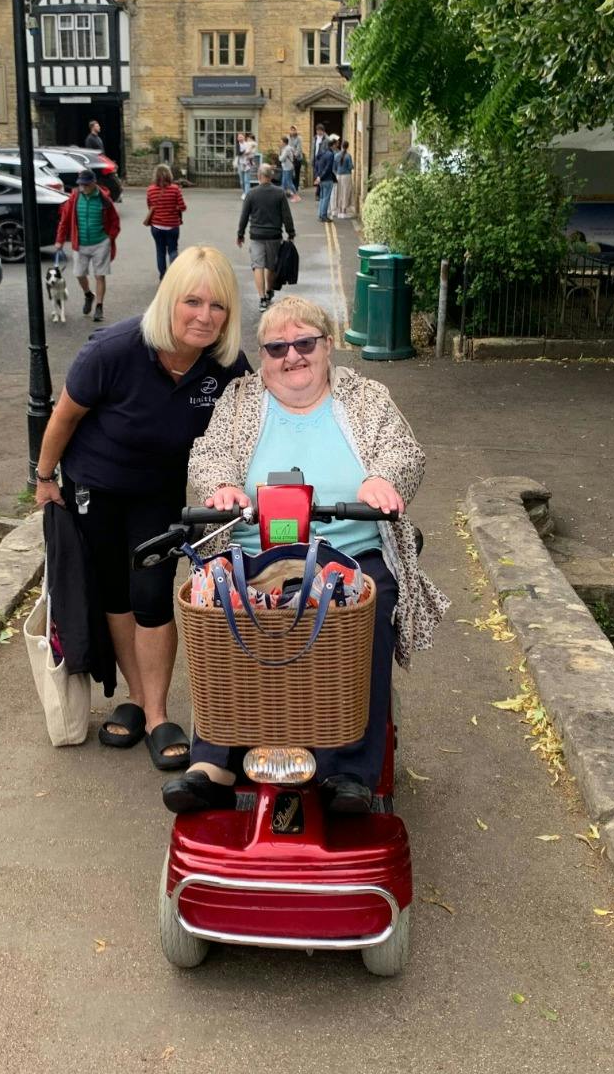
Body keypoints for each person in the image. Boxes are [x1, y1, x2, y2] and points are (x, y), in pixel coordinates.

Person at [166, 296, 450, 815]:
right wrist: (223, 485)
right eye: (277, 347)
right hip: (252, 549)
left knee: (367, 605)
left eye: (305, 343)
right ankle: (216, 757)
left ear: (327, 344)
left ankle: (348, 770)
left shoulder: (367, 397)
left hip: (349, 550)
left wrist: (383, 478)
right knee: (214, 603)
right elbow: (210, 452)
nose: (292, 356)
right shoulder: (241, 398)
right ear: (264, 354)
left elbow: (403, 451)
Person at [34, 247, 249, 770]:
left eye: (217, 306)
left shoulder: (225, 365)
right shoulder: (113, 349)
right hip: (96, 487)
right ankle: (133, 697)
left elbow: (252, 427)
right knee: (115, 596)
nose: (204, 316)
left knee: (151, 596)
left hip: (158, 492)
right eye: (192, 301)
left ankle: (156, 714)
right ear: (169, 301)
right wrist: (43, 479)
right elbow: (64, 416)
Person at [55, 167, 118, 323]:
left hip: (100, 242)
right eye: (81, 185)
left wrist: (110, 237)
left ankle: (99, 307)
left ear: (94, 183)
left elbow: (115, 221)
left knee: (99, 275)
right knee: (79, 274)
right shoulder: (75, 197)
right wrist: (60, 240)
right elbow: (64, 220)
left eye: (86, 185)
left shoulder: (104, 199)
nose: (83, 187)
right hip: (81, 243)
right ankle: (88, 294)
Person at [238, 164, 295, 310]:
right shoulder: (279, 193)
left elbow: (244, 215)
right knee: (271, 266)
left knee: (258, 266)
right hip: (274, 236)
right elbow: (286, 215)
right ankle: (269, 292)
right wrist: (291, 232)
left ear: (259, 176)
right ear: (271, 176)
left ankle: (262, 299)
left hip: (256, 235)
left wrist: (240, 234)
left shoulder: (251, 193)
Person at [145, 163, 187, 280]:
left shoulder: (150, 190)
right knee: (173, 250)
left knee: (160, 251)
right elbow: (183, 207)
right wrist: (175, 208)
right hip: (172, 226)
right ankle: (174, 276)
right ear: (169, 175)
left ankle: (163, 275)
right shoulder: (175, 189)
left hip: (157, 226)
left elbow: (150, 207)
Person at [313, 138, 338, 223]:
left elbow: (317, 165)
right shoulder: (331, 155)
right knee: (326, 198)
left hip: (321, 179)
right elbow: (328, 168)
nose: (336, 146)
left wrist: (318, 176)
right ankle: (323, 215)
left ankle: (320, 214)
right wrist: (322, 177)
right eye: (336, 145)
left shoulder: (322, 154)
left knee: (322, 197)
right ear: (333, 145)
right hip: (327, 179)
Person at [333, 138, 355, 218]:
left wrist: (336, 174)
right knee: (345, 192)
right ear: (347, 147)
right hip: (346, 176)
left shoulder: (336, 155)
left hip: (338, 175)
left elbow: (334, 168)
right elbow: (350, 167)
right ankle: (344, 211)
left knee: (339, 193)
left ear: (341, 146)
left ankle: (338, 211)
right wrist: (353, 166)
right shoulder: (348, 156)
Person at [277, 135, 300, 200]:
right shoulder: (286, 148)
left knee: (289, 182)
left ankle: (296, 196)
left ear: (284, 143)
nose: (280, 143)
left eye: (280, 142)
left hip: (288, 167)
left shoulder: (286, 149)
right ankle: (282, 196)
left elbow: (281, 159)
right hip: (286, 167)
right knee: (284, 182)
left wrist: (279, 155)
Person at [287, 125, 305, 190]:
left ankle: (296, 188)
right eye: (291, 130)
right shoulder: (288, 137)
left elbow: (299, 148)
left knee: (296, 174)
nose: (292, 131)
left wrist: (294, 155)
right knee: (290, 173)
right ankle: (290, 188)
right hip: (289, 158)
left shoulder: (299, 138)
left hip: (297, 158)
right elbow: (287, 146)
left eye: (294, 130)